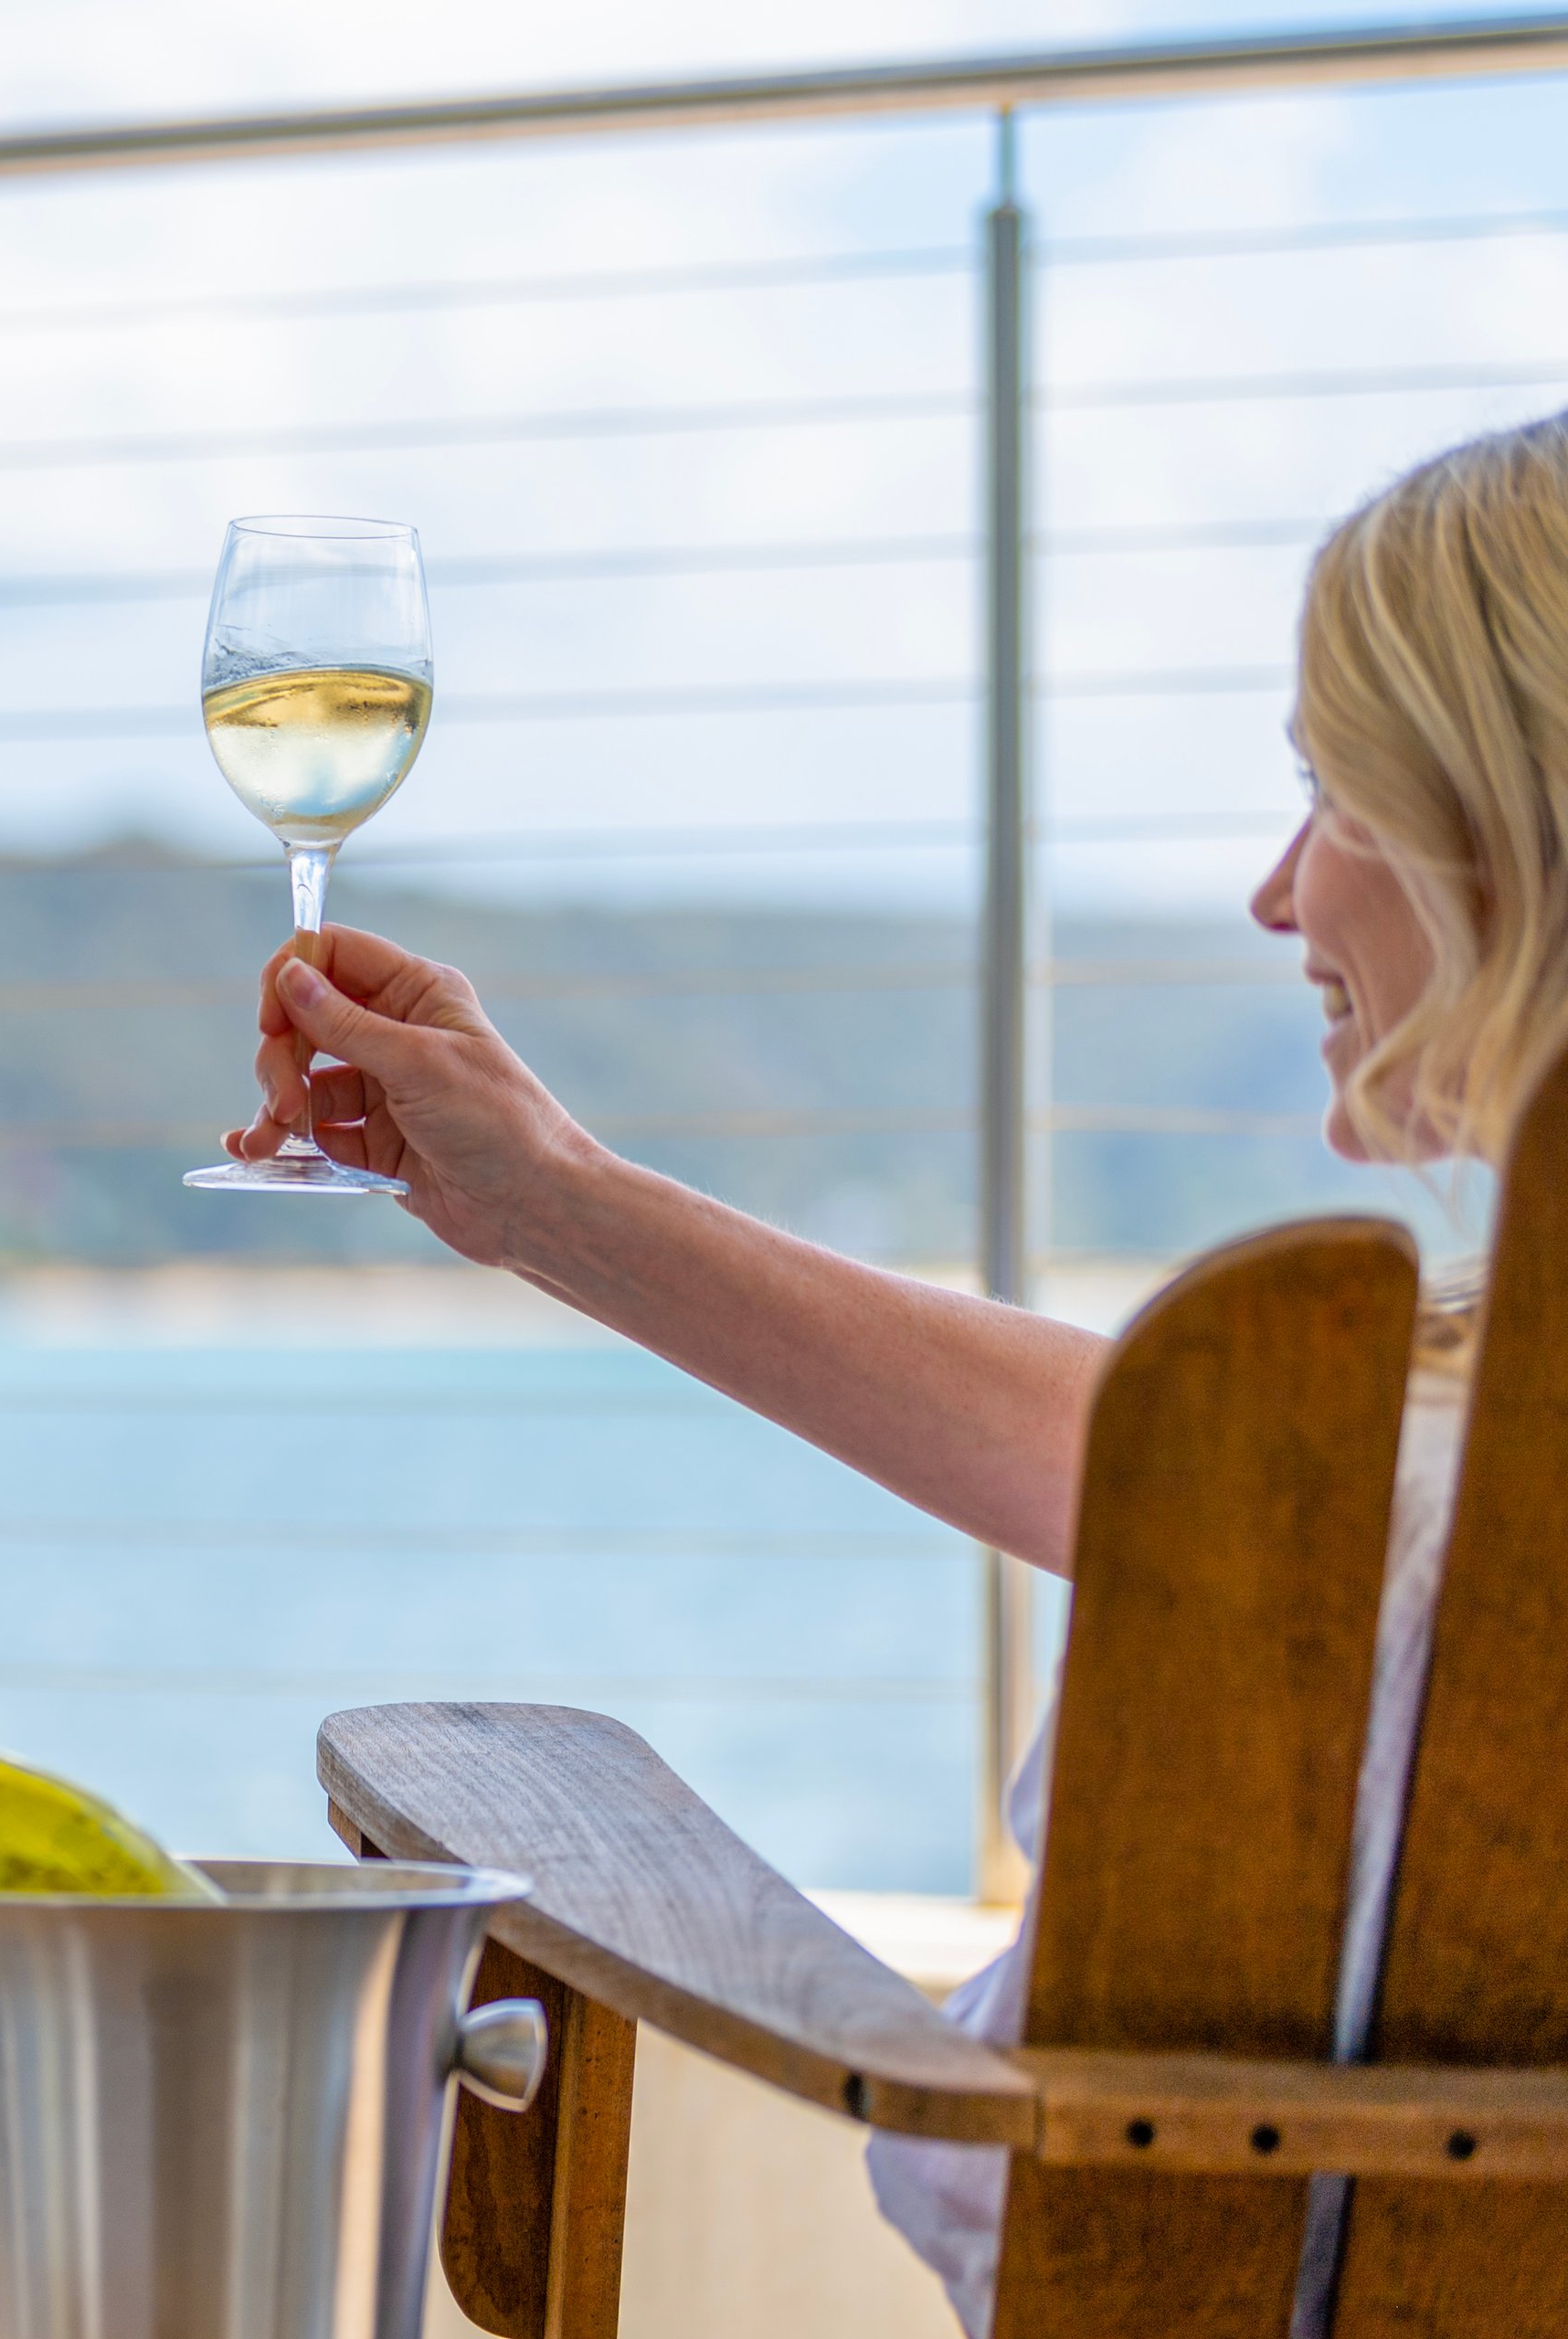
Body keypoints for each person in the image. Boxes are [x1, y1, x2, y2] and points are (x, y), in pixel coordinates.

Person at [220, 407, 1568, 2336]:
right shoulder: (1405, 1474)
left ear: (1511, 838)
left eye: (1336, 798)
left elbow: (1010, 2186)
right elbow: (1158, 1458)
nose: (1279, 895)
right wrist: (555, 1198)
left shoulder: (1370, 1512)